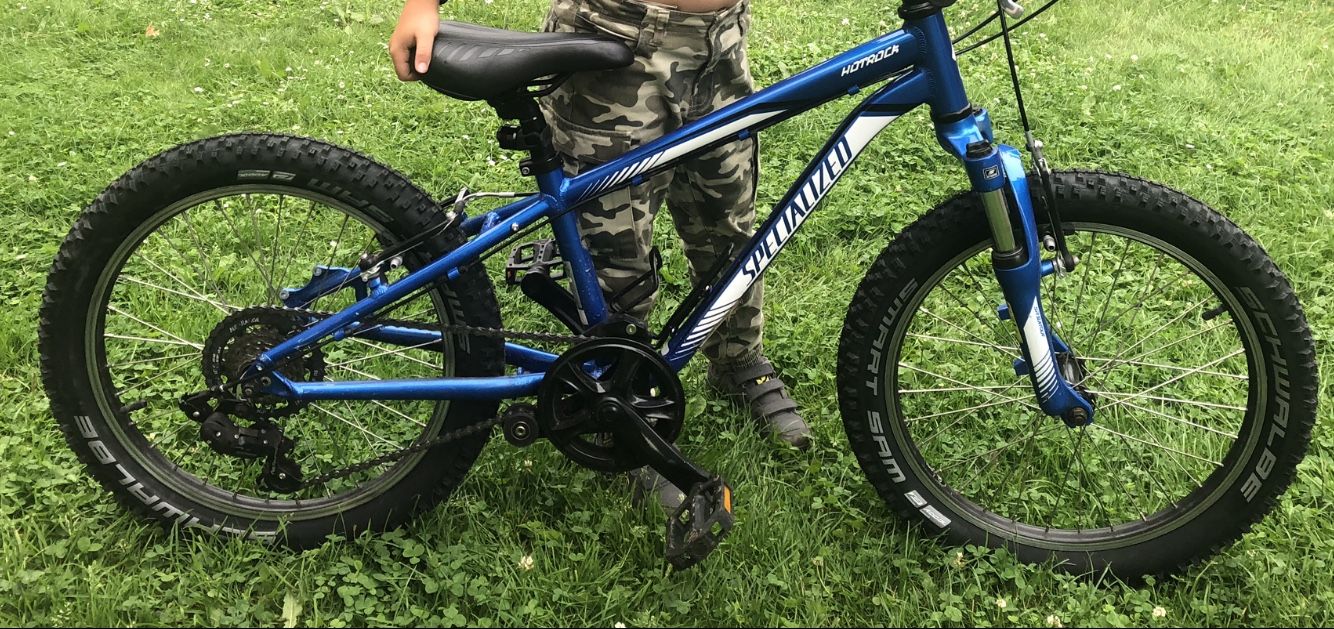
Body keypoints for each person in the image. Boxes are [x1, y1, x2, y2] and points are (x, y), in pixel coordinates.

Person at [390, 0, 810, 508]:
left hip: (718, 45)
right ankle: (617, 408)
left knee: (727, 229)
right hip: (615, 41)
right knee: (614, 258)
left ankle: (737, 358)